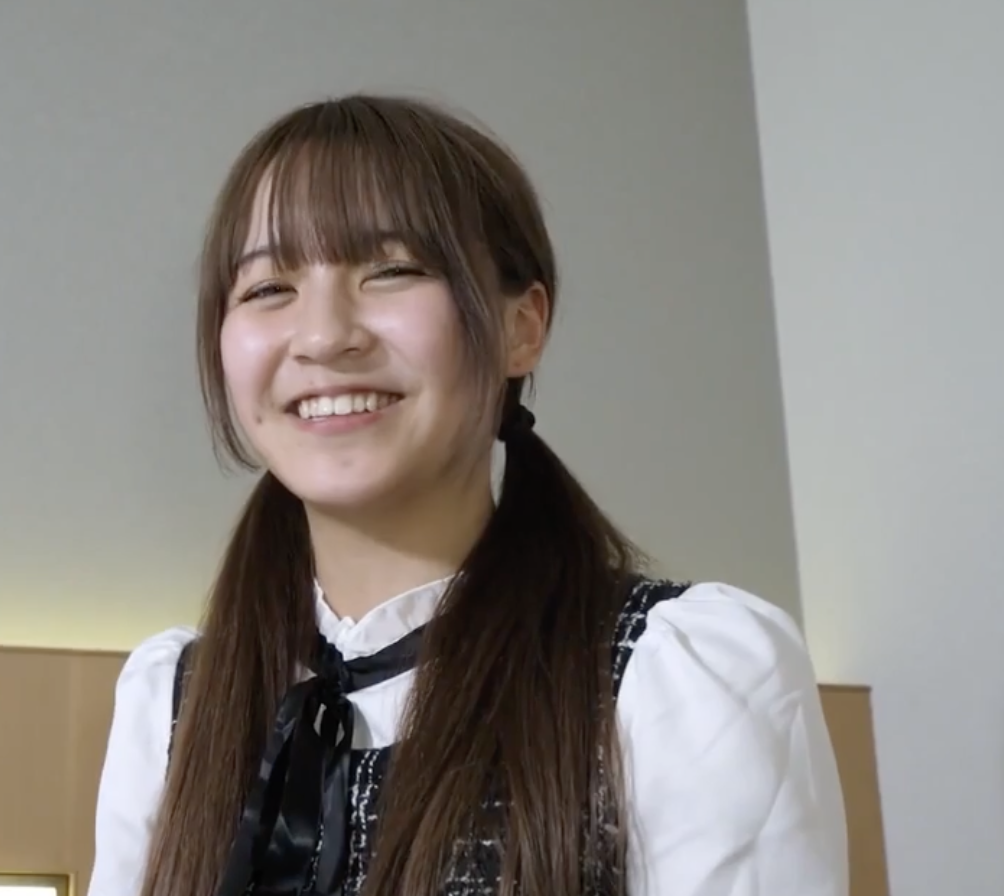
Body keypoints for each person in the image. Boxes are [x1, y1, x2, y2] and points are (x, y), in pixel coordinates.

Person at [87, 94, 848, 896]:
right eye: (269, 287)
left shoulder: (674, 677)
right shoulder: (173, 703)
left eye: (391, 270)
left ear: (522, 327)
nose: (323, 335)